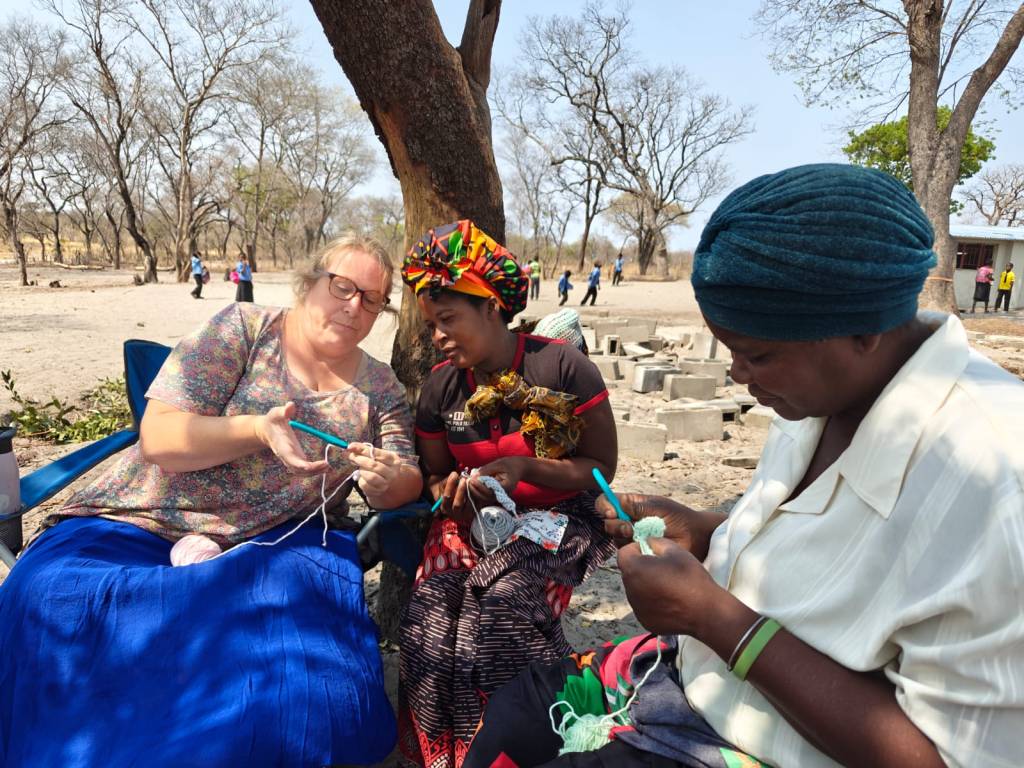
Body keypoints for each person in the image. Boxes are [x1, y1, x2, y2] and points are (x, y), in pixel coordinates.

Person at [465, 164, 1024, 768]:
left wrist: (717, 620)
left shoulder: (995, 485)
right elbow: (823, 548)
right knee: (514, 715)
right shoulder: (820, 391)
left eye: (756, 355)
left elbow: (947, 757)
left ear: (864, 332)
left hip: (759, 742)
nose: (737, 375)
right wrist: (709, 532)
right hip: (686, 678)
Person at [0, 234, 422, 766]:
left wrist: (389, 483)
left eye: (372, 298)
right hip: (143, 519)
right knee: (52, 595)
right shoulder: (243, 329)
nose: (354, 305)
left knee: (301, 689)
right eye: (342, 286)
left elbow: (405, 476)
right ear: (308, 282)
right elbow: (159, 438)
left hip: (275, 545)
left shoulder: (379, 388)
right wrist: (256, 430)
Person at [398, 220, 618, 768]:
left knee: (500, 607)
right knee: (432, 611)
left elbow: (600, 470)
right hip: (470, 520)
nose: (438, 336)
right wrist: (449, 491)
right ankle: (442, 754)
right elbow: (435, 475)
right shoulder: (441, 387)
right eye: (431, 324)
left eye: (449, 319)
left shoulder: (562, 367)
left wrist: (526, 468)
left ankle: (528, 739)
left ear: (493, 306)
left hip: (558, 518)